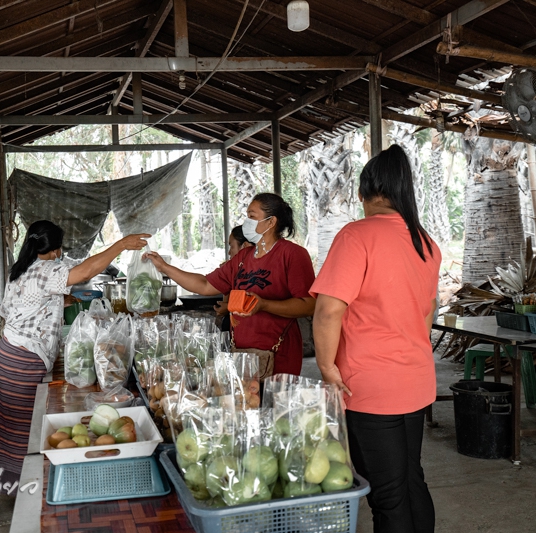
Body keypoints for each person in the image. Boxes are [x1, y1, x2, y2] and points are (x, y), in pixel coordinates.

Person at [310, 144, 441, 533]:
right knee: (409, 478)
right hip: (415, 380)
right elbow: (427, 313)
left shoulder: (357, 235)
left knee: (387, 494)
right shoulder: (425, 242)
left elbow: (328, 310)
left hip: (369, 386)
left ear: (366, 192)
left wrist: (326, 367)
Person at [0, 221, 149, 483]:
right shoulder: (48, 269)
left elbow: (16, 308)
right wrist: (121, 244)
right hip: (25, 359)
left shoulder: (20, 269)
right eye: (60, 248)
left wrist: (57, 301)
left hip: (8, 352)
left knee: (9, 422)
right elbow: (86, 272)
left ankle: (7, 480)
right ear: (54, 250)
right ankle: (27, 483)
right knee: (26, 427)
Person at [146, 193, 315, 376]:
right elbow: (204, 285)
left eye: (252, 216)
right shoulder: (243, 257)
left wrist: (265, 305)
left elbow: (308, 305)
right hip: (242, 354)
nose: (247, 222)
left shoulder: (292, 254)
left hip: (279, 354)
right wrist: (164, 267)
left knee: (272, 402)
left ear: (271, 222)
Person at [214, 226, 254, 326]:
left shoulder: (254, 272)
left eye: (232, 247)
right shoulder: (237, 269)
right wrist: (228, 274)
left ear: (245, 246)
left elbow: (252, 304)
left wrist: (228, 307)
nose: (229, 252)